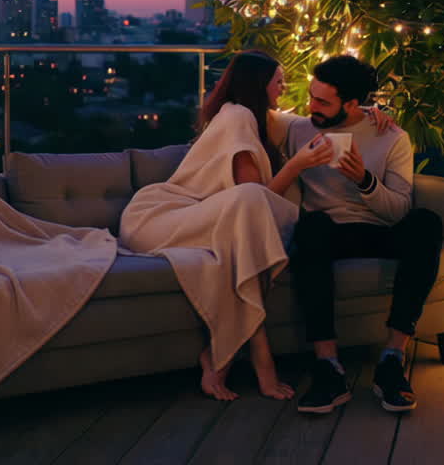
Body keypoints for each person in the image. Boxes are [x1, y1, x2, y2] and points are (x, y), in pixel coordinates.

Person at [118, 50, 335, 401]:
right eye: (279, 81)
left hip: (207, 216)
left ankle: (220, 355)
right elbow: (255, 195)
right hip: (157, 218)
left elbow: (304, 122)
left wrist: (369, 114)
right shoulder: (236, 117)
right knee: (252, 209)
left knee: (246, 239)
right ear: (258, 84)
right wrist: (296, 165)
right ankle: (258, 360)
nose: (284, 87)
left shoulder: (257, 118)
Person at [286, 55, 444, 414]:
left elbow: (399, 210)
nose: (312, 107)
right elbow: (259, 115)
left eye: (322, 102)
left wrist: (364, 180)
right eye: (311, 97)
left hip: (378, 230)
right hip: (329, 233)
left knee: (426, 223)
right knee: (310, 226)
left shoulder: (392, 137)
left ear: (353, 104)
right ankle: (328, 366)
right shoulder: (299, 128)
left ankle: (392, 359)